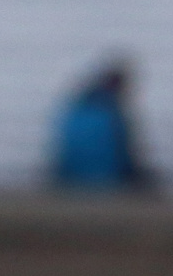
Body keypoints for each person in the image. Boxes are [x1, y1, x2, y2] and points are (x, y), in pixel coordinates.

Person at [50, 56, 157, 193]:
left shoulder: (74, 106)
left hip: (71, 176)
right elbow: (124, 155)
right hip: (108, 179)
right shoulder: (112, 113)